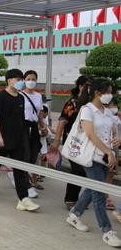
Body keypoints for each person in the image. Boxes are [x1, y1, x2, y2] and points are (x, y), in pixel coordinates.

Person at [65, 79, 121, 247]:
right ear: (98, 93)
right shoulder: (87, 110)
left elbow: (113, 130)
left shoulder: (107, 111)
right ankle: (107, 231)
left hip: (104, 156)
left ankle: (74, 215)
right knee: (99, 193)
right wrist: (108, 151)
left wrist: (116, 140)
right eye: (108, 92)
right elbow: (90, 134)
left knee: (93, 187)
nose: (110, 95)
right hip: (92, 157)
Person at [0, 69, 40, 212]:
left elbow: (20, 120)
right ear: (9, 81)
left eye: (21, 79)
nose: (21, 82)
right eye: (17, 79)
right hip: (2, 139)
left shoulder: (21, 97)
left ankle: (23, 199)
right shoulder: (1, 96)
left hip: (18, 139)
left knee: (19, 169)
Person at [49, 75, 91, 209]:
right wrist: (56, 141)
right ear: (80, 86)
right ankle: (71, 199)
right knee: (78, 170)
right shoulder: (72, 103)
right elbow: (62, 122)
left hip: (87, 143)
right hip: (73, 143)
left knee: (83, 171)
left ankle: (78, 198)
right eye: (88, 86)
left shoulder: (91, 105)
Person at [21, 70, 48, 192]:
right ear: (24, 80)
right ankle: (24, 181)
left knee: (34, 153)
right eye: (28, 79)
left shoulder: (38, 96)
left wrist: (43, 127)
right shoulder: (20, 95)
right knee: (25, 152)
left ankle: (31, 178)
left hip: (34, 127)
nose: (31, 81)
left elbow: (39, 114)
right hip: (23, 126)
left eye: (33, 79)